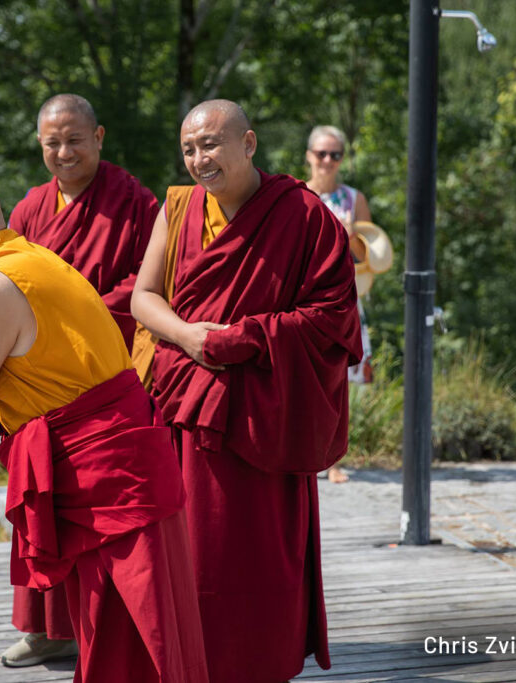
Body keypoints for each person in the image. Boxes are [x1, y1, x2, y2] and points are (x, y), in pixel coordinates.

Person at [0, 176, 209, 683]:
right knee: (125, 631)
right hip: (119, 464)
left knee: (139, 632)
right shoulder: (30, 258)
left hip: (111, 474)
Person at [131, 100, 361, 682]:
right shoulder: (177, 208)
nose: (198, 159)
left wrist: (246, 339)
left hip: (264, 413)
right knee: (190, 557)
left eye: (210, 144)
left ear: (249, 143)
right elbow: (143, 298)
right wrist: (190, 337)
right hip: (186, 404)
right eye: (188, 148)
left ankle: (262, 664)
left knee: (256, 559)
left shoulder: (305, 216)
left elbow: (334, 318)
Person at [2, 93, 159, 667]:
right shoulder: (29, 209)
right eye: (51, 142)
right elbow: (3, 280)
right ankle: (44, 628)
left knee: (96, 516)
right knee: (38, 498)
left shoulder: (136, 202)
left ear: (99, 137)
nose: (63, 152)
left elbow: (144, 284)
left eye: (74, 140)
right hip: (36, 379)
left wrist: (68, 313)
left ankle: (101, 627)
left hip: (100, 378)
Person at [305, 124, 375, 484]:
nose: (328, 161)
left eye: (335, 154)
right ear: (309, 157)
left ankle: (333, 462)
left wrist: (350, 238)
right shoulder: (297, 195)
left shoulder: (353, 199)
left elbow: (369, 254)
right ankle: (304, 454)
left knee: (340, 383)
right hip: (304, 298)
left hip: (343, 298)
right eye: (322, 154)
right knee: (305, 377)